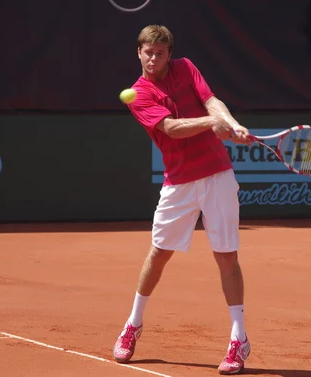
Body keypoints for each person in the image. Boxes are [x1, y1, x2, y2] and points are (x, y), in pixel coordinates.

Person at [113, 24, 252, 375]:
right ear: (139, 52)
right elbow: (172, 129)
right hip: (179, 183)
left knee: (226, 257)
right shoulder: (139, 94)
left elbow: (212, 100)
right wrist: (212, 124)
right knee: (158, 254)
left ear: (169, 54)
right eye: (148, 52)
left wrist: (230, 123)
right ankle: (133, 324)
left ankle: (239, 338)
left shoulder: (186, 68)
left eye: (159, 53)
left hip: (217, 176)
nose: (153, 58)